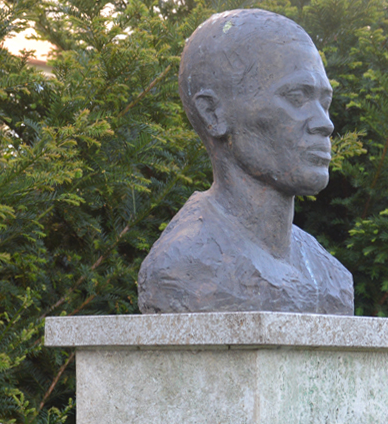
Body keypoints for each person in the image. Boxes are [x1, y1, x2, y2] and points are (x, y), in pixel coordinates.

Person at [138, 9, 354, 315]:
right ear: (214, 113)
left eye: (325, 103)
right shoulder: (183, 265)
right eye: (296, 97)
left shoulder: (332, 278)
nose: (326, 124)